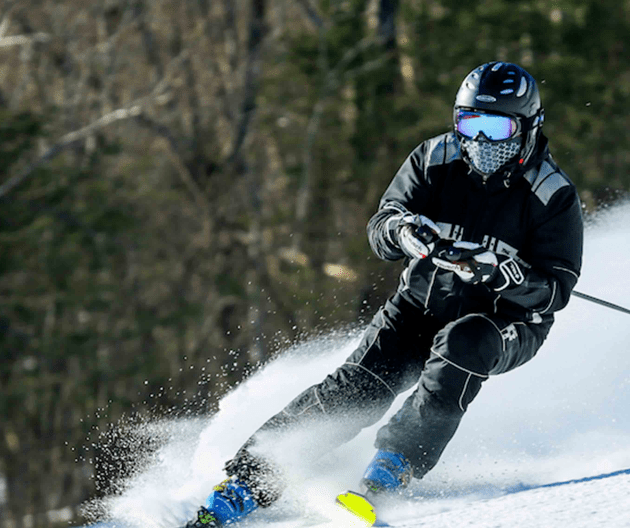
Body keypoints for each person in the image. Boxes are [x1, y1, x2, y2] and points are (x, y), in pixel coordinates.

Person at [184, 61, 583, 527]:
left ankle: (391, 468)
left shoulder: (551, 194)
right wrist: (404, 232)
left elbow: (554, 291)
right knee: (358, 387)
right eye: (469, 122)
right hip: (420, 304)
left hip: (503, 321)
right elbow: (383, 223)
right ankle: (246, 481)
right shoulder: (434, 159)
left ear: (528, 127)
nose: (481, 140)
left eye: (497, 127)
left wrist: (501, 273)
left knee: (462, 345)